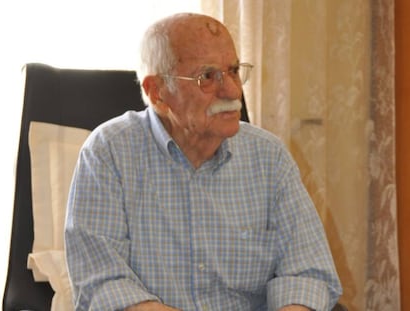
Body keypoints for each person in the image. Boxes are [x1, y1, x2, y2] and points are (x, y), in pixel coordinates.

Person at [65, 12, 342, 311]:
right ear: (157, 93)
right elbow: (102, 282)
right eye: (208, 77)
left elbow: (308, 274)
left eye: (234, 70)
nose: (234, 91)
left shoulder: (269, 158)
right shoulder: (108, 153)